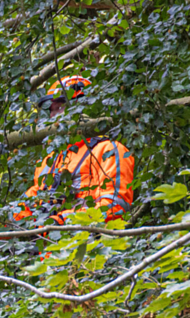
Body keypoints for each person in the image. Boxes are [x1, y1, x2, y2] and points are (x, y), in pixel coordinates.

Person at [15, 75, 134, 225]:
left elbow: (115, 206)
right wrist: (6, 219)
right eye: (52, 110)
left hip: (90, 237)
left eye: (59, 108)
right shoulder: (50, 160)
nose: (53, 116)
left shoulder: (108, 150)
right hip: (48, 238)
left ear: (81, 107)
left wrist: (63, 221)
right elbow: (28, 203)